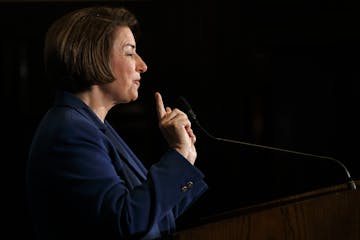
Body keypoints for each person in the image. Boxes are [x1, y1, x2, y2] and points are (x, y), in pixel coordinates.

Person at [26, 6, 208, 240]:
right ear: (94, 55)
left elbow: (152, 218)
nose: (142, 65)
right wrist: (177, 156)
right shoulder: (69, 132)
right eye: (130, 52)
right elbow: (125, 222)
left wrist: (185, 158)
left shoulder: (91, 125)